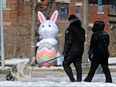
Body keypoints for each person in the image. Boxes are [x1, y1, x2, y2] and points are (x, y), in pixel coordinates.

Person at [62, 15, 85, 82]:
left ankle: (72, 79)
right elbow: (83, 40)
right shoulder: (82, 30)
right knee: (78, 65)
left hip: (72, 51)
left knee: (65, 64)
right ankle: (79, 80)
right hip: (80, 50)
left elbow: (68, 41)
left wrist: (65, 51)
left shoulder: (70, 29)